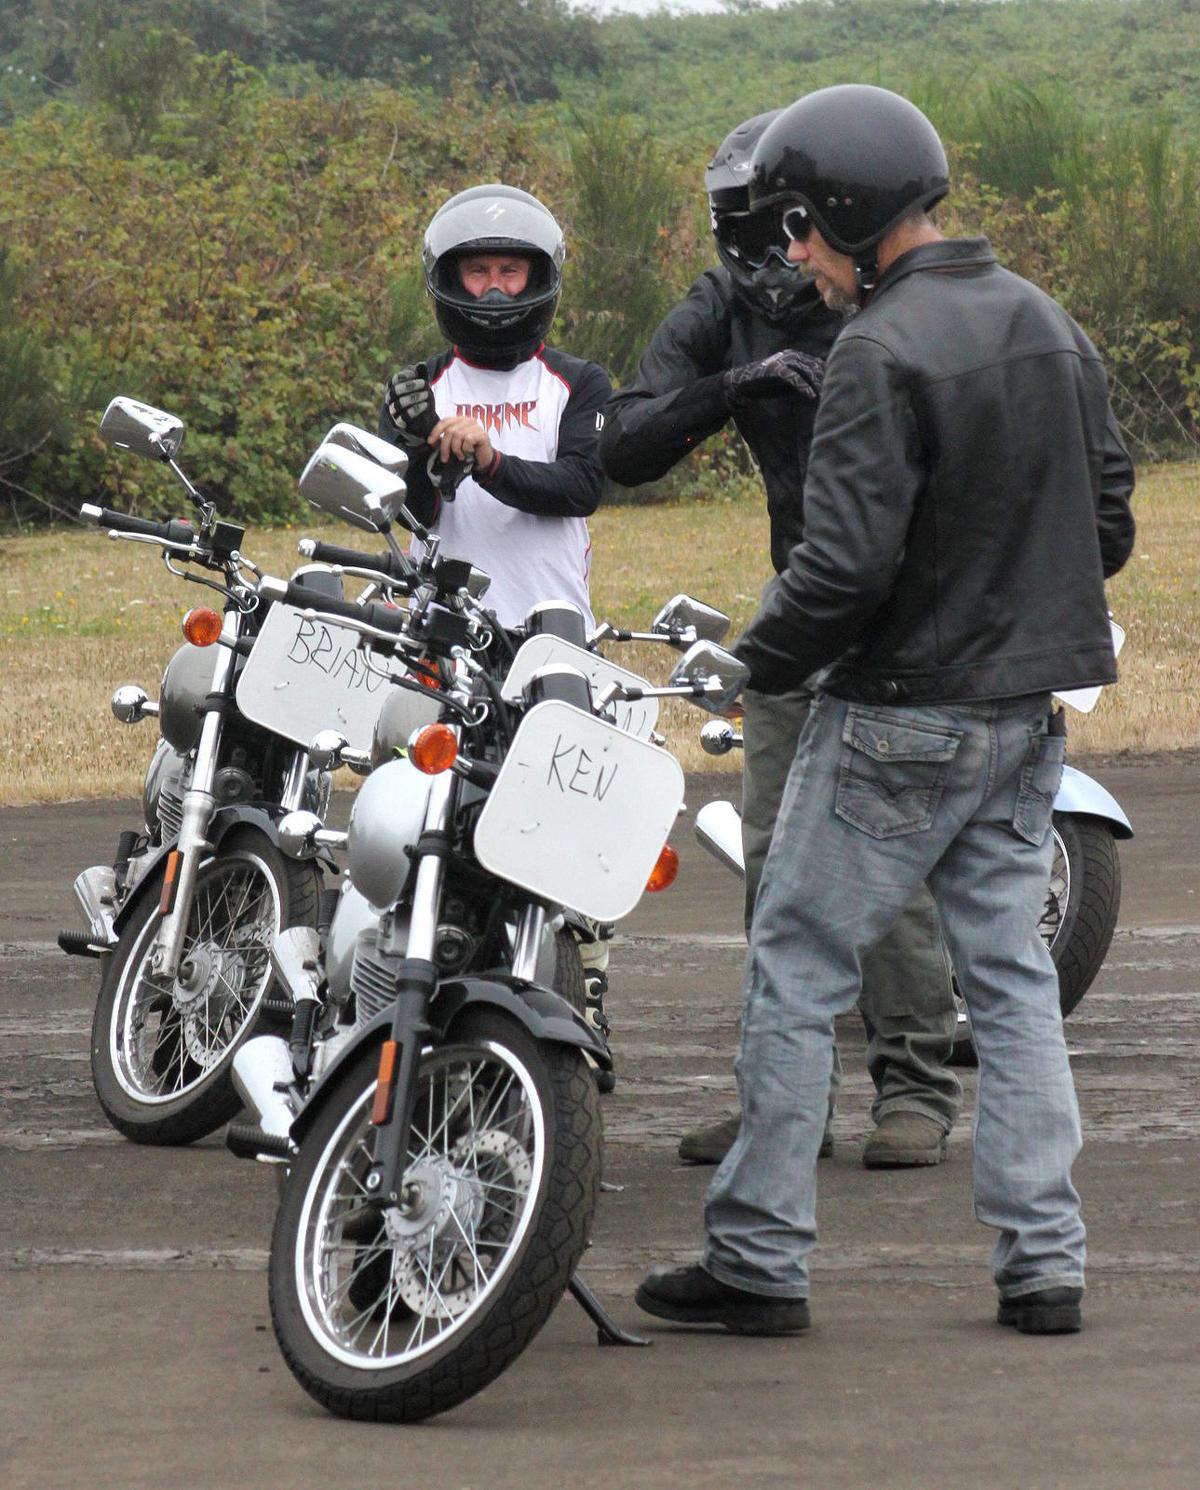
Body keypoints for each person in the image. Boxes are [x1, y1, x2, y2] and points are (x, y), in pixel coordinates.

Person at [634, 83, 1135, 1339]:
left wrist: (748, 662)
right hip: (1025, 717)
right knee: (1011, 981)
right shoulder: (1047, 322)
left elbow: (844, 566)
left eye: (803, 227)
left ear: (853, 214)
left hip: (900, 712)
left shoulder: (877, 348)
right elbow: (1109, 524)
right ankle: (1044, 1264)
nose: (794, 256)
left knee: (796, 965)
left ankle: (757, 1257)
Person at [599, 111, 962, 1168]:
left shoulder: (896, 292)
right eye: (755, 234)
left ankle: (916, 1087)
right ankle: (778, 1101)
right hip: (800, 598)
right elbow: (622, 440)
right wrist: (732, 387)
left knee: (885, 852)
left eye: (792, 228)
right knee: (774, 853)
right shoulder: (725, 305)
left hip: (904, 604)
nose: (782, 258)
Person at [378, 182, 617, 1079]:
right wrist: (412, 447)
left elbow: (582, 487)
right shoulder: (421, 386)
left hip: (550, 635)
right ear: (448, 278)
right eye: (475, 270)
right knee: (420, 819)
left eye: (508, 269)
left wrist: (487, 458)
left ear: (539, 277)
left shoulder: (576, 382)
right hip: (443, 632)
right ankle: (405, 992)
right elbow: (413, 507)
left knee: (565, 830)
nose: (492, 290)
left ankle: (581, 999)